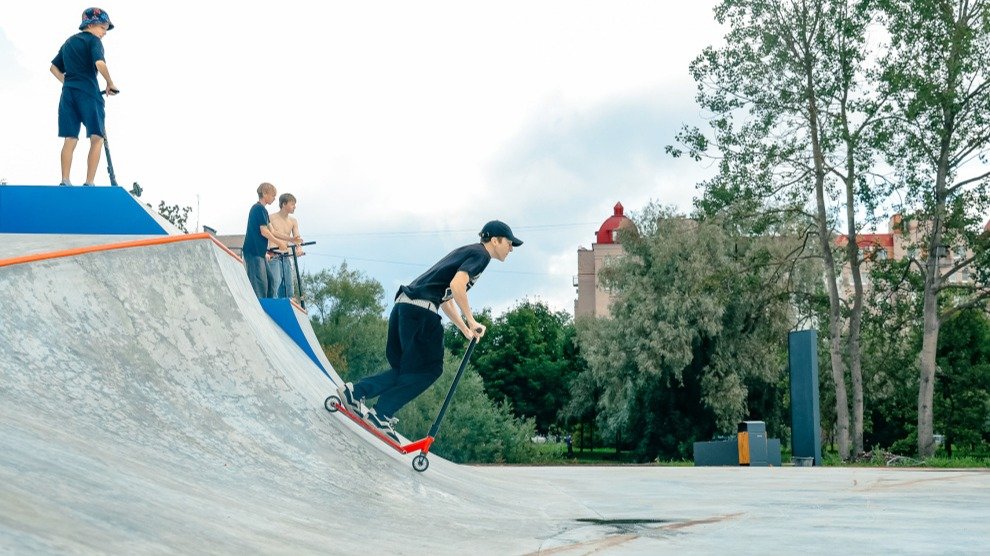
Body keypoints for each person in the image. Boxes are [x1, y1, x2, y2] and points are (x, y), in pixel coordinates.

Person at [337, 220, 523, 439]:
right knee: (430, 369)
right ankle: (381, 413)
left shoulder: (467, 251)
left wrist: (464, 329)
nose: (511, 249)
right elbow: (457, 286)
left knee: (406, 370)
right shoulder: (481, 255)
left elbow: (446, 299)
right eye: (509, 243)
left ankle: (355, 392)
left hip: (404, 307)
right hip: (421, 313)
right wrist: (472, 320)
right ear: (495, 240)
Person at [50, 7, 119, 187]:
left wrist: (67, 82)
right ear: (91, 24)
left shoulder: (68, 43)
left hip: (68, 94)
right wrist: (110, 83)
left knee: (70, 138)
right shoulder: (94, 41)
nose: (104, 33)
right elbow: (99, 63)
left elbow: (53, 68)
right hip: (89, 93)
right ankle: (89, 182)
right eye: (103, 28)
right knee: (97, 137)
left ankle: (65, 180)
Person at [243, 183, 287, 298]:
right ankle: (258, 305)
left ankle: (267, 306)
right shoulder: (258, 209)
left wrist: (291, 239)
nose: (274, 198)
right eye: (273, 195)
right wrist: (279, 243)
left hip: (260, 253)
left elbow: (273, 231)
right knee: (260, 285)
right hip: (253, 252)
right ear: (265, 194)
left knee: (271, 283)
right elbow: (264, 231)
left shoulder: (264, 211)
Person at [267, 193, 304, 299]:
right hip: (274, 256)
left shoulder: (293, 221)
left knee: (289, 290)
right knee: (275, 286)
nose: (294, 207)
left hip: (286, 257)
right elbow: (272, 233)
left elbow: (297, 237)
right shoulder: (271, 218)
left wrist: (299, 248)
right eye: (292, 204)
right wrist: (291, 239)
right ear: (284, 204)